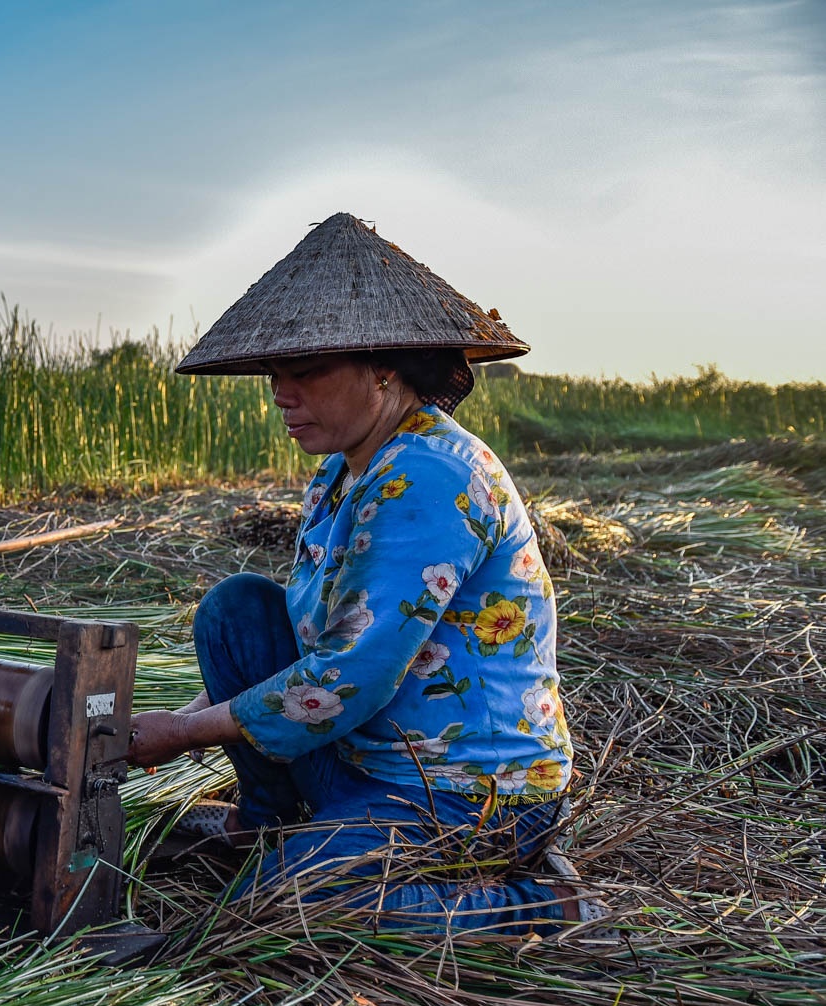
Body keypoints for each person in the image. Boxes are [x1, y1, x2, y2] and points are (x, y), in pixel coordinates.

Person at [128, 213, 598, 934]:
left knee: (281, 902)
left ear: (383, 371)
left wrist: (178, 735)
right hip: (364, 757)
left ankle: (536, 905)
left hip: (465, 791)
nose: (282, 395)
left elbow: (348, 673)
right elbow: (310, 638)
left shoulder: (429, 474)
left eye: (306, 373)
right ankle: (270, 824)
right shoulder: (343, 472)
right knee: (239, 610)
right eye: (275, 375)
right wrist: (173, 721)